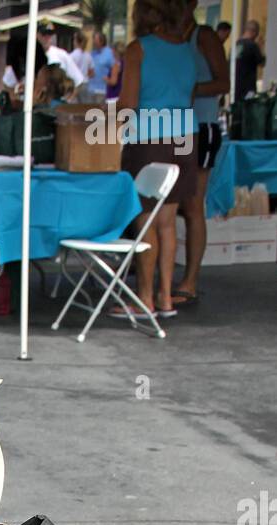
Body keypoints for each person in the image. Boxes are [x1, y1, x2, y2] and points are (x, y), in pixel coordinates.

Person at [116, 0, 198, 321]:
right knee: (167, 223)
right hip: (184, 139)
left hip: (148, 139)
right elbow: (188, 97)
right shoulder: (188, 51)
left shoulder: (139, 50)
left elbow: (128, 104)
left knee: (146, 221)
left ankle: (145, 297)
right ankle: (166, 297)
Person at [174, 1, 229, 305]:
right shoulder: (171, 37)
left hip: (202, 127)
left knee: (194, 205)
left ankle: (191, 280)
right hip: (175, 127)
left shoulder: (203, 36)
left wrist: (190, 89)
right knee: (171, 204)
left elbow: (224, 82)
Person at [234, 20, 265, 100]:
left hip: (235, 85)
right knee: (248, 109)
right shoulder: (253, 45)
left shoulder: (236, 44)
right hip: (248, 87)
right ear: (254, 32)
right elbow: (262, 63)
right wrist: (261, 47)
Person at [90, 30, 118, 96]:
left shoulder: (110, 53)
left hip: (103, 91)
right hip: (91, 90)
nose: (93, 42)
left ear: (101, 41)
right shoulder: (92, 53)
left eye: (95, 40)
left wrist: (110, 80)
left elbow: (116, 68)